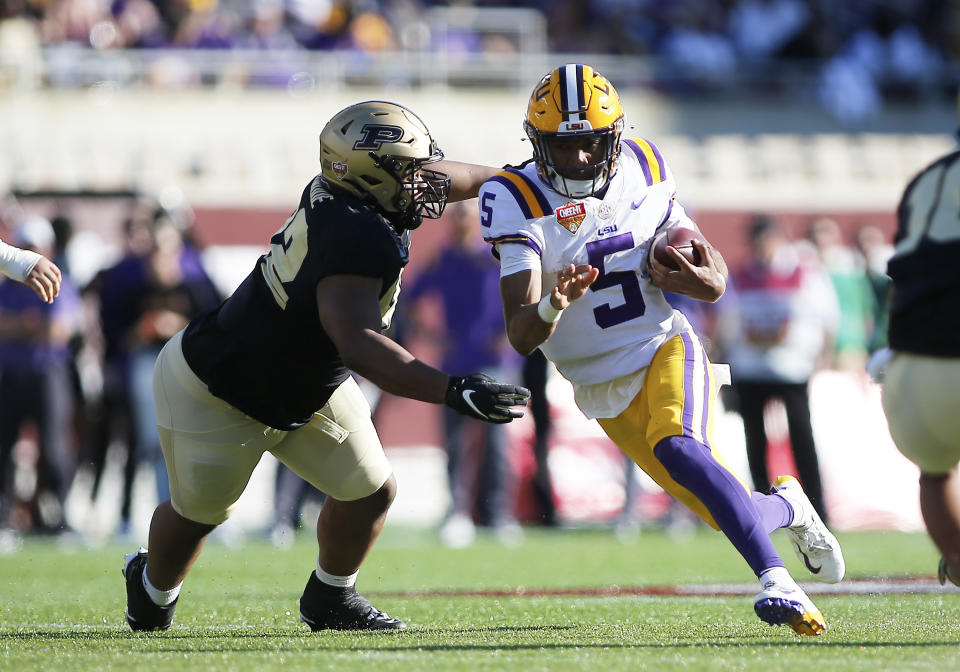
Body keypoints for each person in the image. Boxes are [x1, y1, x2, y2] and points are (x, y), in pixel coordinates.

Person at [122, 100, 530, 632]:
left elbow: (443, 177)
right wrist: (452, 390)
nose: (422, 182)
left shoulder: (351, 192)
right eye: (408, 171)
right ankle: (150, 586)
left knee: (370, 492)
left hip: (307, 380)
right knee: (198, 515)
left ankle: (331, 598)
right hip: (221, 387)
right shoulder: (356, 235)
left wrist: (517, 180)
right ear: (367, 176)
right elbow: (360, 345)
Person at [480, 63, 843, 636]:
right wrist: (553, 302)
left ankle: (779, 583)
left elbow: (714, 274)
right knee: (723, 512)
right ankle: (792, 507)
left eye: (589, 144)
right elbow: (522, 332)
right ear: (536, 142)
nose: (577, 159)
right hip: (597, 382)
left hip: (662, 344)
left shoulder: (644, 167)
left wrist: (702, 278)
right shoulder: (515, 196)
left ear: (614, 137)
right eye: (562, 146)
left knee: (678, 444)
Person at [405, 201, 521, 547]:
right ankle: (456, 513)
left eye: (465, 217)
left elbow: (526, 293)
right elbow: (409, 299)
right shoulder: (442, 260)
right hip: (454, 366)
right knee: (455, 444)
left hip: (495, 363)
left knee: (497, 443)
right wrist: (431, 337)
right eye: (455, 218)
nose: (459, 224)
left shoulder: (495, 259)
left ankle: (498, 515)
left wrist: (508, 334)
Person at [877, 138, 960, 587]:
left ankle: (957, 553)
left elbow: (905, 273)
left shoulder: (927, 181)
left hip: (914, 363)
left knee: (935, 471)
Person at [719, 216, 839, 524]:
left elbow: (827, 318)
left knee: (802, 438)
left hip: (791, 369)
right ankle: (760, 508)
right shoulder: (740, 275)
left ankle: (817, 507)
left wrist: (822, 357)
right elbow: (727, 322)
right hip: (750, 369)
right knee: (755, 440)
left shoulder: (805, 272)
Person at [0, 216, 81, 535]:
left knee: (54, 448)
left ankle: (56, 514)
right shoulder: (7, 284)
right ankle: (4, 516)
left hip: (48, 372)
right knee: (3, 447)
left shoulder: (60, 279)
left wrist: (16, 325)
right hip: (10, 373)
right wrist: (29, 325)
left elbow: (59, 330)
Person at [0, 226, 61, 304]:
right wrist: (17, 260)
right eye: (26, 249)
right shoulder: (6, 287)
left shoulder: (60, 286)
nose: (33, 253)